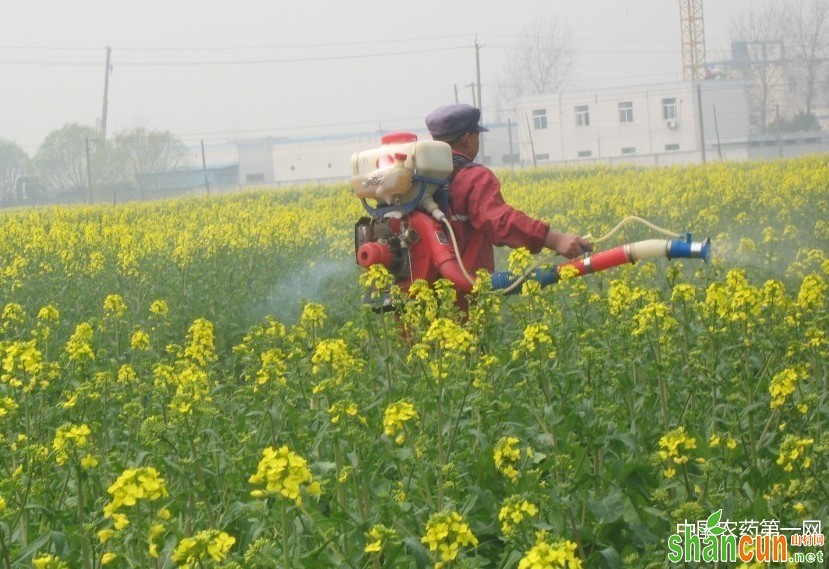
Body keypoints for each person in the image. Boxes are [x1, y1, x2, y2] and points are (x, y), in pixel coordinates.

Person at [425, 103, 592, 277]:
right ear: (467, 138)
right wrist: (555, 239)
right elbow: (500, 221)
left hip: (420, 290)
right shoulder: (474, 178)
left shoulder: (417, 177)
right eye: (477, 135)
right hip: (464, 289)